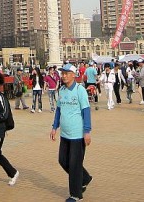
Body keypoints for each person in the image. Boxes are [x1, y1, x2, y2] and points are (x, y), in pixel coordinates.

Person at [50, 63, 93, 202]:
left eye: (67, 73)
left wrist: (87, 131)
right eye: (62, 73)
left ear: (74, 75)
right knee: (63, 160)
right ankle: (84, 177)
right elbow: (58, 110)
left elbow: (86, 111)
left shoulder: (80, 90)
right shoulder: (61, 90)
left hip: (77, 135)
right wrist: (54, 127)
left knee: (74, 165)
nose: (64, 76)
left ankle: (76, 194)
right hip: (65, 134)